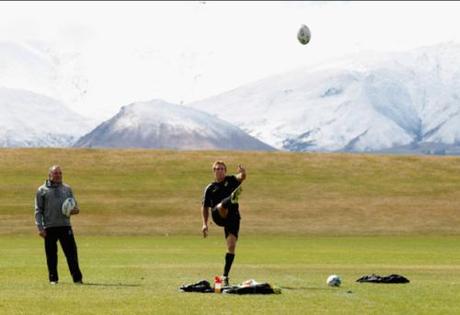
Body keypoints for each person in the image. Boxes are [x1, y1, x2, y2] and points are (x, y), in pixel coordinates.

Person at [35, 165, 83, 285]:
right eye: (55, 173)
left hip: (65, 226)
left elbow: (75, 207)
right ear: (49, 175)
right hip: (49, 227)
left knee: (71, 253)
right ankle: (53, 279)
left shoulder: (67, 189)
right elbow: (38, 210)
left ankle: (77, 279)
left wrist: (74, 211)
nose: (58, 175)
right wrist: (40, 227)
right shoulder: (42, 190)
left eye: (60, 173)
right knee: (51, 255)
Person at [201, 161, 246, 286]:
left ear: (225, 171)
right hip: (218, 215)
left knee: (231, 247)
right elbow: (205, 207)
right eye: (217, 169)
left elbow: (241, 178)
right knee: (223, 205)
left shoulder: (231, 180)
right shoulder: (210, 188)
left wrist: (243, 173)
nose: (219, 170)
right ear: (213, 171)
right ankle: (231, 199)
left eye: (222, 169)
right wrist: (204, 224)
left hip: (233, 218)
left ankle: (225, 276)